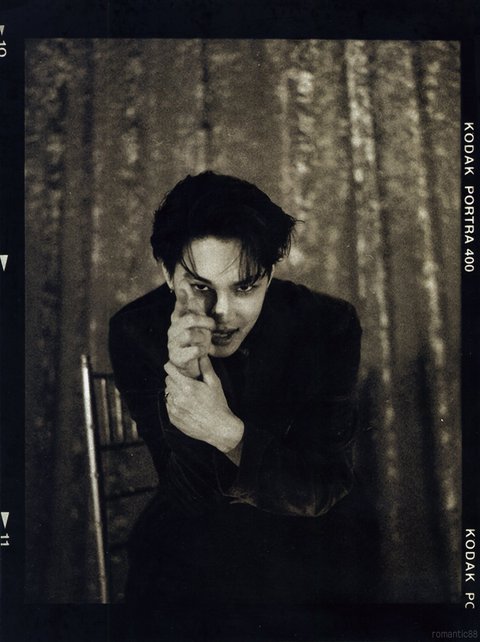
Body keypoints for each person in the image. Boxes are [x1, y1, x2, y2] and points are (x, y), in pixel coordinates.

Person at [109, 171, 375, 640]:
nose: (223, 312)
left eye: (246, 287)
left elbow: (322, 486)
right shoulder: (137, 331)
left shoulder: (327, 324)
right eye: (200, 286)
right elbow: (187, 496)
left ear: (269, 273)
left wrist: (226, 432)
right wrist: (185, 373)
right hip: (190, 559)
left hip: (299, 547)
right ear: (167, 273)